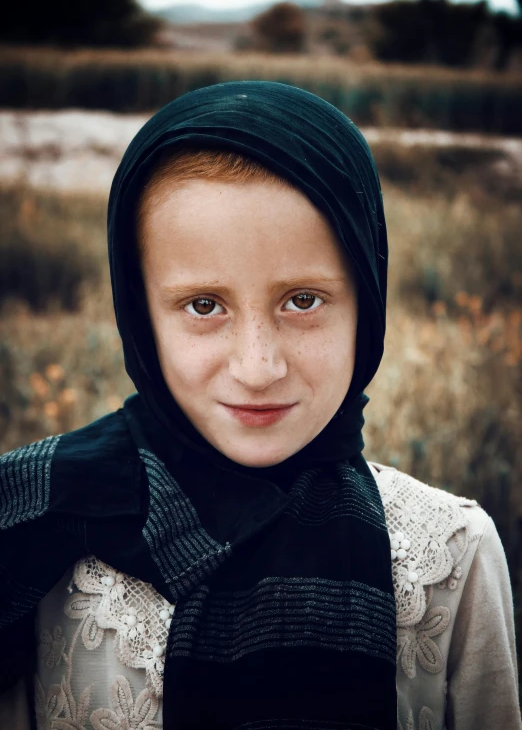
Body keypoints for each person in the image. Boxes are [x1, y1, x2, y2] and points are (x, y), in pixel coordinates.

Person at [0, 81, 520, 730]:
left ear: (369, 303)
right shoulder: (32, 523)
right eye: (203, 305)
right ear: (140, 316)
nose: (257, 367)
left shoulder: (451, 554)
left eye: (303, 300)